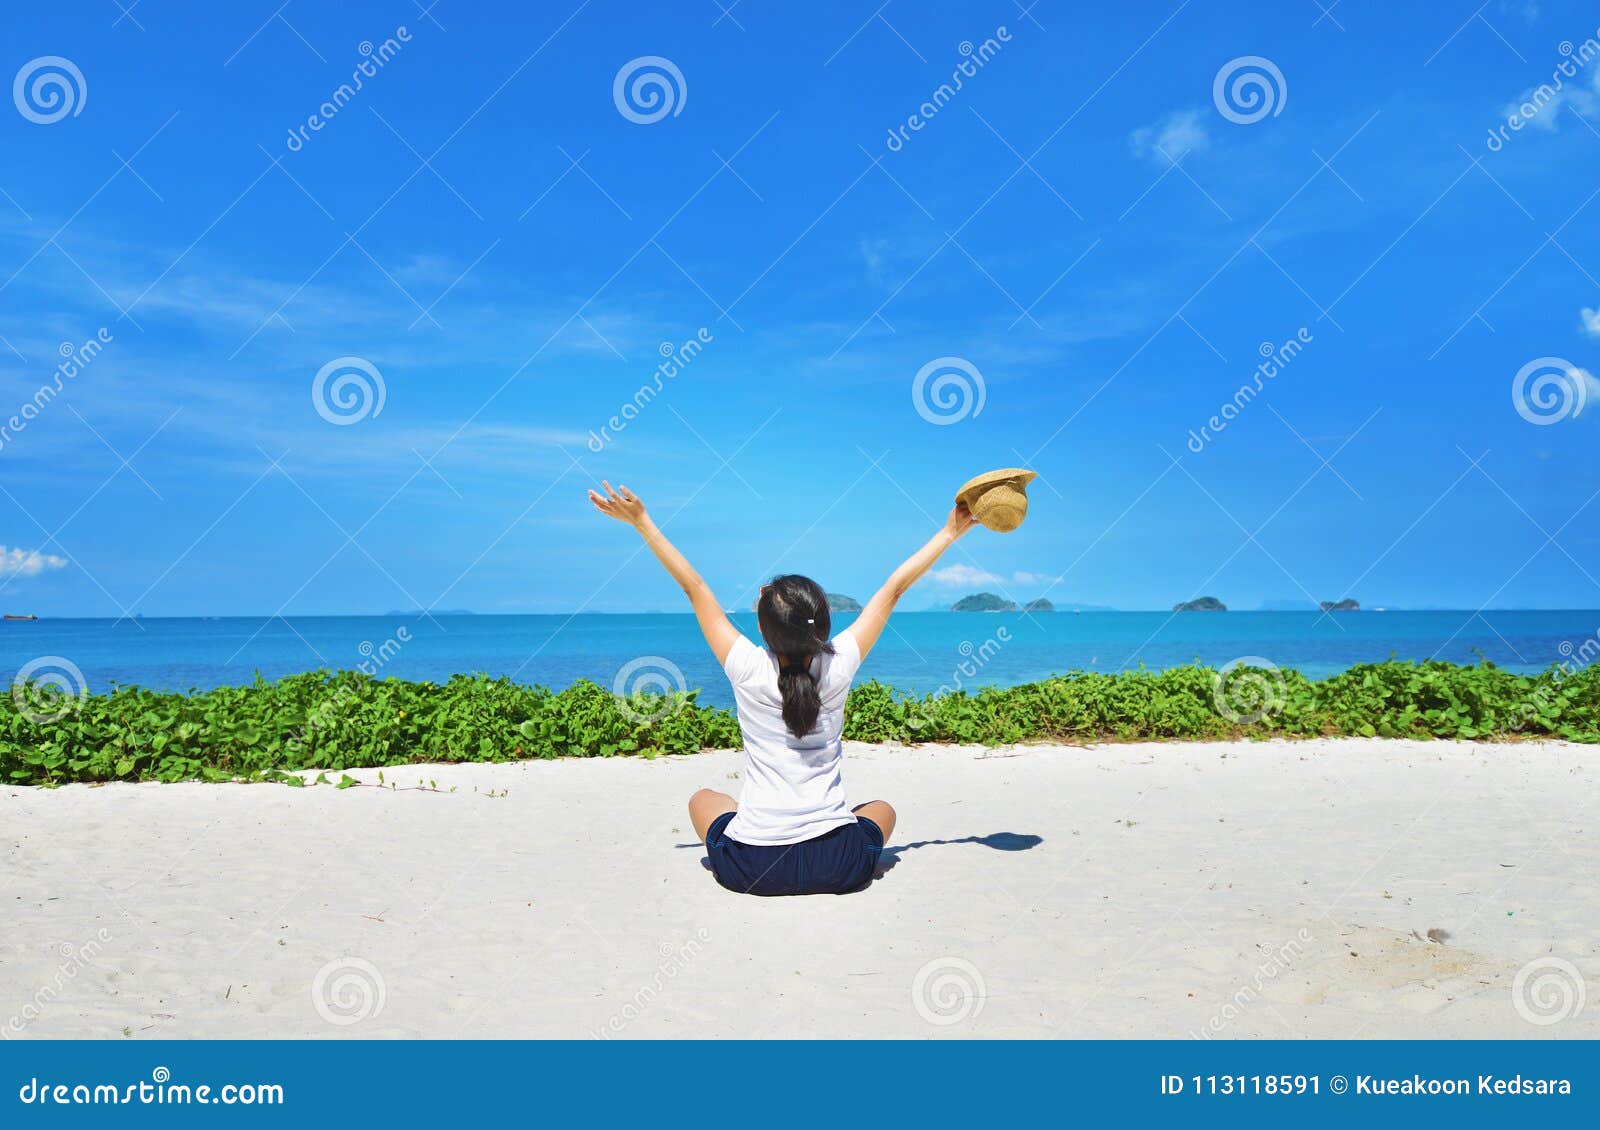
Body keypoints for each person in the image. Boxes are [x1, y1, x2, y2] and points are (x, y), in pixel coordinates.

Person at [587, 480, 982, 895]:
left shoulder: (746, 666)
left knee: (703, 799)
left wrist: (642, 521)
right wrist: (950, 532)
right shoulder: (839, 662)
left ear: (761, 628)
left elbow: (695, 588)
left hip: (753, 867)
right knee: (882, 810)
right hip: (838, 863)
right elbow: (894, 589)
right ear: (824, 627)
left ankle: (761, 821)